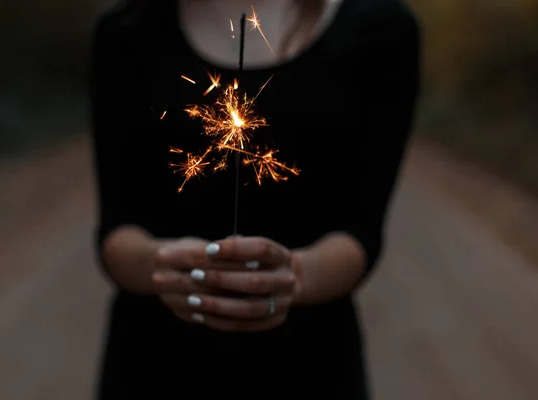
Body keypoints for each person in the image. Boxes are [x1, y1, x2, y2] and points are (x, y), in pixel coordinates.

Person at [89, 0, 420, 397]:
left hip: (310, 368)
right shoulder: (125, 31)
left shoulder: (381, 31)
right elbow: (115, 231)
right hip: (152, 368)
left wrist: (294, 277)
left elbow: (361, 231)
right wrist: (161, 267)